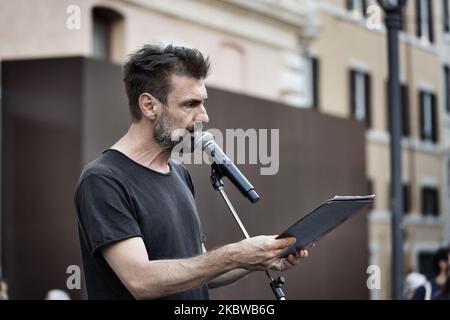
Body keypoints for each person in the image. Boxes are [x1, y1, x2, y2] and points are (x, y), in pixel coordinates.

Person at [74, 44, 308, 300]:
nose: (204, 117)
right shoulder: (104, 180)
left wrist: (260, 258)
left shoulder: (179, 173)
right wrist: (234, 254)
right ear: (149, 106)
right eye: (190, 104)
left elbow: (200, 269)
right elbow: (140, 280)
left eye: (203, 103)